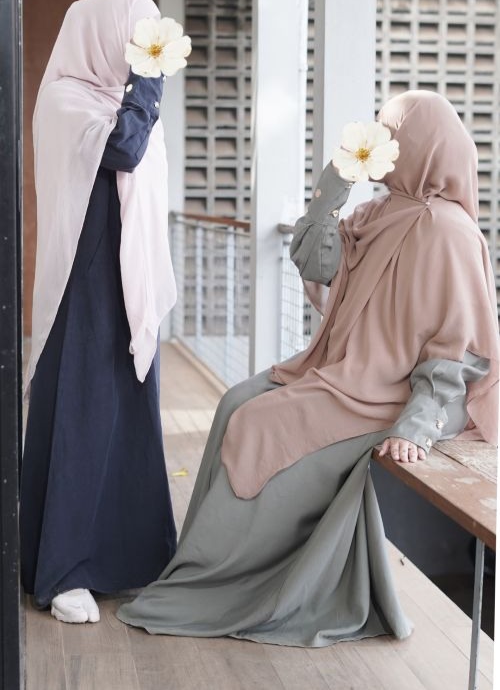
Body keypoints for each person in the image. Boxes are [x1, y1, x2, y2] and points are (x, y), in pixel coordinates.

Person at [117, 91, 498, 647]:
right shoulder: (379, 212)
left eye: (394, 134)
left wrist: (416, 426)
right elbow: (315, 259)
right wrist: (336, 183)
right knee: (235, 401)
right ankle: (193, 566)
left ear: (424, 145)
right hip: (348, 373)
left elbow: (457, 352)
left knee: (258, 423)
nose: (385, 142)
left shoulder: (450, 231)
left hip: (396, 395)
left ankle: (222, 583)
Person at [20, 0, 178, 623]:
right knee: (81, 412)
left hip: (128, 283)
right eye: (133, 39)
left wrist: (140, 91)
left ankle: (131, 560)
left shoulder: (124, 101)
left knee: (129, 415)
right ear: (104, 35)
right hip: (82, 281)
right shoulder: (66, 99)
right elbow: (123, 150)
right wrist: (149, 83)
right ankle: (64, 567)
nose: (140, 52)